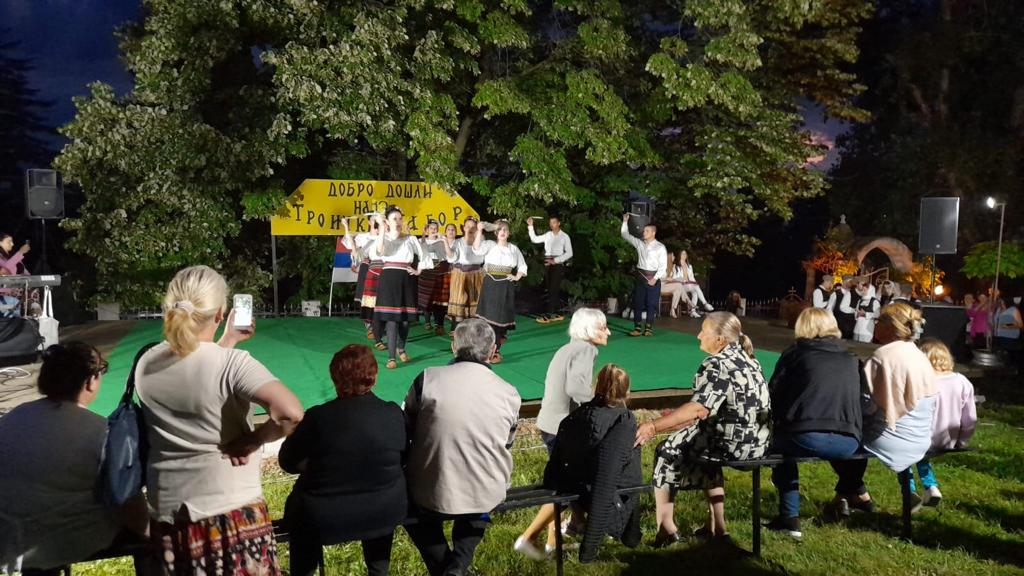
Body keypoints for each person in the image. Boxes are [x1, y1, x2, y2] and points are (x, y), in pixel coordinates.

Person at [135, 265, 305, 575]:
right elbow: (290, 413)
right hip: (231, 516)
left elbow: (198, 373)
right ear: (220, 312)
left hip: (171, 520)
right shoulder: (233, 364)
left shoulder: (146, 362)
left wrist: (227, 340)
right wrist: (254, 439)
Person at [0, 343, 148, 575]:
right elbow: (129, 503)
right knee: (147, 536)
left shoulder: (13, 418)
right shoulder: (100, 431)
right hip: (61, 539)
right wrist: (152, 532)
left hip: (10, 538)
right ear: (90, 381)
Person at [635, 312, 771, 545]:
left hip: (733, 445)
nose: (698, 335)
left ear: (720, 339)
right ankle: (717, 527)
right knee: (704, 448)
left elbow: (698, 409)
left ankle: (666, 528)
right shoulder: (750, 359)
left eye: (703, 331)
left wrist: (653, 426)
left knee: (668, 450)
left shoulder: (718, 364)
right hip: (758, 445)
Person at [403, 319, 521, 576]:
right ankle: (457, 566)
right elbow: (508, 442)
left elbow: (406, 429)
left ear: (454, 346)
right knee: (477, 505)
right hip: (486, 491)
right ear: (492, 351)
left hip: (430, 491)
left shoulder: (427, 379)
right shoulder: (509, 393)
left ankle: (448, 567)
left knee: (406, 507)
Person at [279, 344, 407, 576]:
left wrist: (317, 465)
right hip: (383, 512)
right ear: (374, 377)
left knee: (302, 530)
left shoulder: (318, 417)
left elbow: (288, 462)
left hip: (321, 516)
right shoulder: (392, 413)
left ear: (335, 378)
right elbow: (402, 457)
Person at [513, 308, 611, 559]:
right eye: (603, 327)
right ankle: (529, 537)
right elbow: (576, 388)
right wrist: (601, 406)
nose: (608, 332)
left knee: (564, 482)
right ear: (588, 330)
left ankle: (558, 538)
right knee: (566, 488)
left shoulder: (567, 348)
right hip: (563, 428)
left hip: (549, 424)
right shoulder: (586, 350)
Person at [829, 302, 938, 518]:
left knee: (835, 435)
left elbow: (864, 405)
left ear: (889, 327)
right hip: (920, 435)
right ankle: (851, 497)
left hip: (892, 436)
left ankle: (857, 492)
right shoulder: (919, 355)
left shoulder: (883, 356)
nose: (875, 324)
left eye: (878, 320)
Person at [764, 308, 863, 539]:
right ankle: (856, 491)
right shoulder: (851, 358)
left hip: (804, 435)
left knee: (779, 452)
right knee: (826, 445)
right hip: (849, 440)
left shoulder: (795, 354)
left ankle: (789, 517)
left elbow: (774, 392)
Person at [542, 364, 642, 563]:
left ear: (596, 386)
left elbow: (555, 467)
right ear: (627, 392)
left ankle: (628, 533)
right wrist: (590, 547)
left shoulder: (576, 416)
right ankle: (629, 533)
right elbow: (606, 478)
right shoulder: (623, 420)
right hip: (601, 491)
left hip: (574, 485)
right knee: (631, 458)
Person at [904, 339, 977, 508]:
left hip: (920, 438)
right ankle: (931, 487)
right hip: (947, 440)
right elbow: (970, 418)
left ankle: (909, 490)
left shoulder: (921, 382)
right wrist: (962, 441)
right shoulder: (962, 382)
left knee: (902, 455)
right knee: (922, 455)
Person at [374, 207, 433, 369]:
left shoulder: (410, 239)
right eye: (394, 219)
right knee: (392, 319)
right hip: (389, 278)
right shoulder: (383, 237)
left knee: (405, 320)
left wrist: (418, 270)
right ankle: (391, 357)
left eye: (400, 218)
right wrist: (381, 228)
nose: (398, 222)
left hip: (407, 278)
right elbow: (380, 250)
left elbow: (424, 253)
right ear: (387, 222)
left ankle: (401, 347)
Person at [472, 220, 527, 364]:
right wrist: (480, 230)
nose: (503, 232)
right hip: (490, 285)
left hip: (505, 287)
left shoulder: (513, 249)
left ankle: (495, 351)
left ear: (509, 233)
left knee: (500, 320)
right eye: (500, 230)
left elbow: (522, 265)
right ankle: (484, 350)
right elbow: (476, 249)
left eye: (505, 230)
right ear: (496, 232)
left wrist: (516, 276)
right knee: (487, 319)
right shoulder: (490, 245)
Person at [619, 214, 668, 337]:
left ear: (653, 233)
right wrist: (625, 221)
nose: (644, 232)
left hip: (653, 278)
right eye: (644, 230)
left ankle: (648, 328)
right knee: (638, 302)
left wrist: (655, 279)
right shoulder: (639, 243)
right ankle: (637, 328)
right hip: (641, 277)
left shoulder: (660, 247)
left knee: (651, 304)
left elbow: (663, 266)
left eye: (647, 231)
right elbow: (625, 235)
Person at [527, 216, 573, 323]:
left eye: (554, 222)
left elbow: (569, 253)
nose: (552, 225)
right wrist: (530, 226)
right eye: (550, 223)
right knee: (551, 288)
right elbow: (535, 239)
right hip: (548, 262)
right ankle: (559, 313)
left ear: (559, 223)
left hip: (557, 263)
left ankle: (548, 315)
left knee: (553, 288)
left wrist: (556, 260)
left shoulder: (564, 236)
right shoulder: (548, 235)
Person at [343, 215, 381, 340]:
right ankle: (369, 325)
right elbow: (350, 245)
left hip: (382, 268)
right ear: (369, 221)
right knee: (366, 297)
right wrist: (346, 227)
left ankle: (378, 324)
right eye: (374, 219)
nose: (377, 222)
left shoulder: (384, 235)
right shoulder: (363, 236)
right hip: (367, 266)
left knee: (380, 297)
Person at [445, 217, 486, 332]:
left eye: (473, 227)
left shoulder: (482, 242)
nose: (470, 229)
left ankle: (473, 334)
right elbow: (451, 258)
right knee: (459, 305)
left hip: (476, 275)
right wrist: (445, 242)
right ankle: (457, 333)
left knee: (474, 306)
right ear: (463, 228)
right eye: (467, 227)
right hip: (460, 275)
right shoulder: (458, 242)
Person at [417, 222, 452, 336]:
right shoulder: (421, 241)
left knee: (438, 299)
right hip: (425, 271)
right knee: (426, 297)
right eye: (431, 228)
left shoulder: (441, 241)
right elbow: (420, 252)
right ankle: (427, 321)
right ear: (427, 230)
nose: (433, 230)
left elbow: (445, 257)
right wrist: (423, 234)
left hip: (438, 270)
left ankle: (439, 324)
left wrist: (442, 240)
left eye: (435, 228)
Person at [0, 233, 31, 317]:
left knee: (33, 291)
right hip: (4, 291)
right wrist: (20, 252)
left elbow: (26, 273)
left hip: (15, 289)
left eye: (12, 241)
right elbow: (4, 270)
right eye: (9, 242)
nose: (12, 244)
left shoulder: (12, 257)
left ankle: (32, 316)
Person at [676, 250, 714, 316]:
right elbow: (675, 278)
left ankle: (693, 311)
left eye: (685, 254)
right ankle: (705, 304)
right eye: (682, 254)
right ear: (679, 255)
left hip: (689, 284)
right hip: (682, 286)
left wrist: (694, 283)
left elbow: (692, 277)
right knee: (696, 288)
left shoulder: (689, 266)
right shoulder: (676, 266)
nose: (684, 255)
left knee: (695, 291)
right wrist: (683, 280)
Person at [660, 252, 691, 319]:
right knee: (679, 286)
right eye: (673, 256)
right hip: (661, 286)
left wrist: (677, 279)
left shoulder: (671, 267)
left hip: (668, 285)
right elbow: (657, 279)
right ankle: (688, 301)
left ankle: (673, 309)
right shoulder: (662, 267)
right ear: (669, 258)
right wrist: (666, 279)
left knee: (678, 288)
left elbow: (672, 279)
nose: (674, 257)